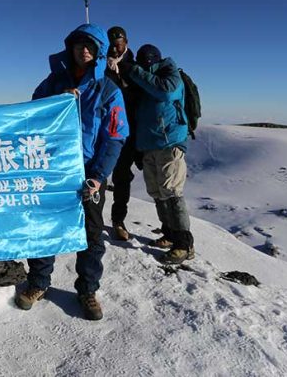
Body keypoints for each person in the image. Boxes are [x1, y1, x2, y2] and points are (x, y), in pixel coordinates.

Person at [14, 24, 127, 320]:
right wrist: (57, 102)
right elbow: (31, 117)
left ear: (99, 51)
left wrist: (99, 176)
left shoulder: (108, 90)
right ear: (70, 49)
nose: (84, 49)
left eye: (90, 45)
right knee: (43, 228)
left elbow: (114, 137)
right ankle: (38, 282)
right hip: (52, 171)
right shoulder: (52, 83)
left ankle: (87, 290)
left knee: (91, 234)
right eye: (78, 45)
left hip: (89, 174)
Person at [121, 44, 194, 264]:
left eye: (145, 62)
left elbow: (166, 91)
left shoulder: (169, 73)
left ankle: (184, 245)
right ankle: (170, 234)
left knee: (172, 193)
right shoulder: (142, 81)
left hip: (169, 143)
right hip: (149, 145)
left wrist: (134, 71)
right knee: (158, 193)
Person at [104, 26, 141, 242]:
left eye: (118, 43)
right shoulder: (101, 65)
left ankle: (118, 221)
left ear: (126, 42)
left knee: (121, 177)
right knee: (94, 174)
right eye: (112, 43)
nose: (115, 47)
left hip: (125, 132)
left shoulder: (134, 68)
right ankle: (90, 220)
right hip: (103, 128)